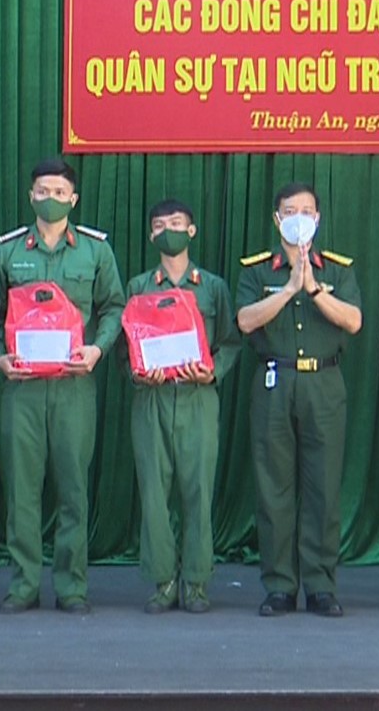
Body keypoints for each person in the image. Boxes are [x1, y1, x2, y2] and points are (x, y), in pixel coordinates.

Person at [0, 158, 125, 614]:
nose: (50, 199)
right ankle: (23, 585)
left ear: (73, 199)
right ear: (30, 196)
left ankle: (72, 586)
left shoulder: (95, 251)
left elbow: (114, 308)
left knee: (73, 489)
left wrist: (97, 349)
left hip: (74, 388)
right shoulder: (7, 252)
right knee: (22, 490)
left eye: (59, 192)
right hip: (22, 389)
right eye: (43, 191)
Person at [236, 182, 362, 618]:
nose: (299, 218)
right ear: (277, 220)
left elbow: (354, 321)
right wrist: (289, 288)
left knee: (323, 488)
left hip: (324, 384)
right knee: (274, 489)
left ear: (318, 218)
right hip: (274, 382)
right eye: (290, 211)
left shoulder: (338, 270)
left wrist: (314, 289)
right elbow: (245, 320)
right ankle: (279, 586)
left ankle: (321, 586)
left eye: (307, 211)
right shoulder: (257, 271)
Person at [125, 198, 239, 614]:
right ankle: (163, 581)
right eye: (160, 225)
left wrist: (213, 372)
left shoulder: (212, 287)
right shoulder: (138, 288)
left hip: (197, 398)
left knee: (198, 490)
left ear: (191, 231)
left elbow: (229, 342)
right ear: (151, 235)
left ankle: (196, 581)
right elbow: (125, 347)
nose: (168, 230)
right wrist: (139, 373)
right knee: (154, 492)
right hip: (152, 398)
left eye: (176, 223)